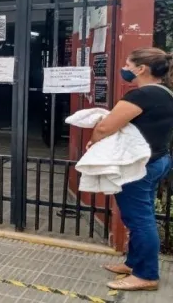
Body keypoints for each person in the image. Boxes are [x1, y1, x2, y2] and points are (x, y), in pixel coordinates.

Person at [84, 48, 173, 291]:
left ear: (141, 68)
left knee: (139, 219)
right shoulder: (165, 93)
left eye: (127, 63)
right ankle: (134, 263)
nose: (125, 67)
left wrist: (94, 142)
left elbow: (105, 127)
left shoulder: (140, 95)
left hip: (139, 166)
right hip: (158, 160)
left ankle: (146, 275)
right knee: (139, 216)